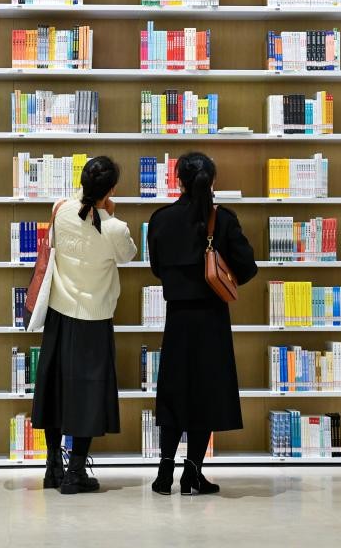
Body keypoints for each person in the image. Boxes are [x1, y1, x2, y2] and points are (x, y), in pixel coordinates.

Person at [146, 152, 258, 495]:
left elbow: (157, 267)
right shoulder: (222, 219)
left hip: (177, 319)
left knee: (174, 392)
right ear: (213, 181)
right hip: (212, 318)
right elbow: (248, 267)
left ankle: (164, 472)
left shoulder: (161, 219)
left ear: (177, 180)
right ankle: (192, 473)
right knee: (206, 394)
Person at [31, 156, 138, 494]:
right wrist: (111, 213)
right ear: (112, 189)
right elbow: (128, 255)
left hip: (59, 312)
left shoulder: (60, 209)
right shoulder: (114, 228)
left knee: (54, 388)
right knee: (88, 392)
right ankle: (75, 471)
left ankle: (53, 466)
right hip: (93, 318)